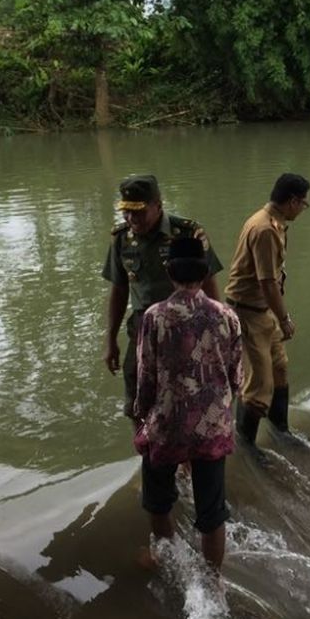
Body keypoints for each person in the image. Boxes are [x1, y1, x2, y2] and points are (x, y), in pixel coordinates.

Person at [133, 237, 242, 570]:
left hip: (168, 425)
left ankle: (166, 558)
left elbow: (146, 376)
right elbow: (236, 378)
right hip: (212, 425)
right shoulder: (227, 316)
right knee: (212, 512)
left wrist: (141, 416)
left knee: (158, 501)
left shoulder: (155, 317)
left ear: (170, 272)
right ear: (206, 271)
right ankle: (214, 577)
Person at [103, 175, 224, 422]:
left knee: (188, 392)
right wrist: (111, 339)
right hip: (142, 328)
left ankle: (187, 453)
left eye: (139, 212)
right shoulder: (121, 239)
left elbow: (209, 281)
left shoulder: (188, 234)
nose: (131, 219)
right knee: (137, 395)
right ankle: (147, 450)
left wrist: (216, 330)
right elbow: (118, 290)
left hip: (186, 326)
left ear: (158, 205)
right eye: (127, 212)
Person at [224, 173, 310, 445]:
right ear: (293, 201)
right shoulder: (264, 229)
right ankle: (246, 448)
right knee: (258, 387)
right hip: (248, 313)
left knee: (279, 369)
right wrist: (284, 319)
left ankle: (280, 431)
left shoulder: (273, 223)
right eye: (303, 204)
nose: (303, 209)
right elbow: (267, 282)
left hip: (262, 312)